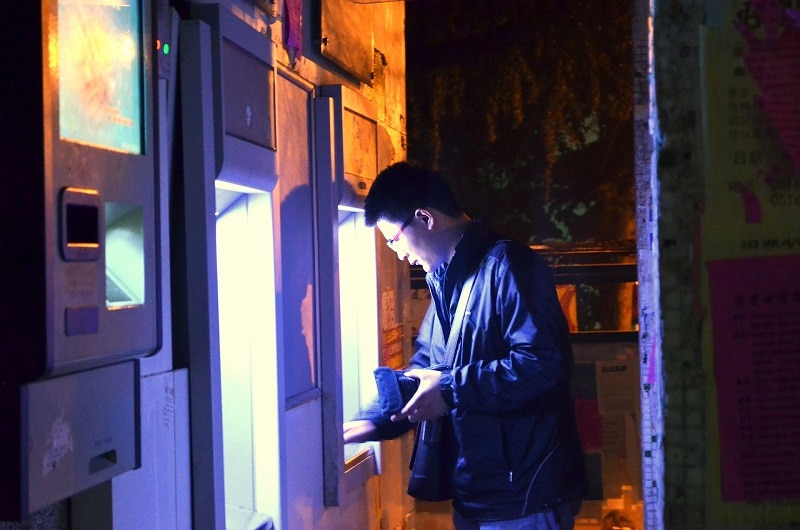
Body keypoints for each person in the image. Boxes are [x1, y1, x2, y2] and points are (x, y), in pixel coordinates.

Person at [343, 162, 587, 529]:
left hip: (525, 498)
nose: (397, 253)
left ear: (424, 218)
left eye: (393, 239)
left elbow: (543, 364)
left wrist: (452, 388)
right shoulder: (447, 280)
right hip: (481, 494)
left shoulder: (509, 265)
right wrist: (372, 420)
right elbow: (427, 366)